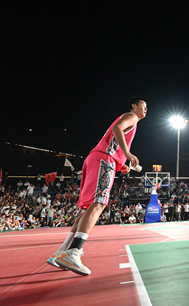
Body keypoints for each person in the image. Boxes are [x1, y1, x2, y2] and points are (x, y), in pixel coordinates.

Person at [47, 97, 147, 275]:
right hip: (104, 159)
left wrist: (121, 164)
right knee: (99, 203)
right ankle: (74, 252)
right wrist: (127, 153)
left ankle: (61, 252)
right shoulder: (131, 116)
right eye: (143, 106)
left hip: (97, 158)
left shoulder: (129, 119)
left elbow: (113, 139)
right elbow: (117, 129)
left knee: (91, 208)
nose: (146, 109)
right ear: (134, 106)